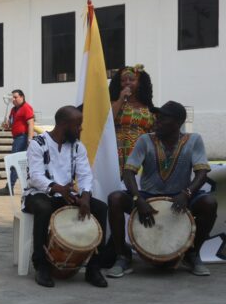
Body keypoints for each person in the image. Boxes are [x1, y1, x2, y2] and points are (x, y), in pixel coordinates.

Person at [106, 101, 217, 278]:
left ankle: (192, 254)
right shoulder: (145, 140)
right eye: (157, 117)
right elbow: (128, 173)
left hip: (179, 198)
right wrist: (137, 199)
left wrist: (186, 193)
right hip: (147, 196)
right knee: (115, 199)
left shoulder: (193, 140)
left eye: (163, 118)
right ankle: (122, 256)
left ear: (178, 122)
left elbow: (202, 172)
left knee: (209, 203)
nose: (156, 121)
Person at [22, 105, 109, 288]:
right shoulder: (38, 143)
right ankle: (41, 265)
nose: (81, 129)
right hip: (38, 194)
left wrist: (85, 196)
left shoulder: (77, 147)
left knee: (100, 208)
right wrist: (57, 188)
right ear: (63, 124)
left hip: (66, 195)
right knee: (44, 208)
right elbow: (36, 176)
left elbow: (85, 175)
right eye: (78, 125)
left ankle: (94, 267)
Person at [110, 65, 155, 172]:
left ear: (140, 83)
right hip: (117, 149)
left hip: (141, 151)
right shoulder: (114, 103)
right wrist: (121, 98)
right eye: (123, 80)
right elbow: (107, 120)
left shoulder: (148, 107)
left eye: (132, 79)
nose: (127, 82)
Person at [0, 89, 35, 195]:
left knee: (14, 162)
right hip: (17, 137)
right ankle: (13, 186)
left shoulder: (26, 108)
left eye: (15, 97)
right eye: (12, 97)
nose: (13, 99)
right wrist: (6, 125)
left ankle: (9, 187)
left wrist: (30, 140)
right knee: (19, 162)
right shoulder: (13, 110)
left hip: (22, 137)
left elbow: (31, 124)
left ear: (22, 97)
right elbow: (11, 125)